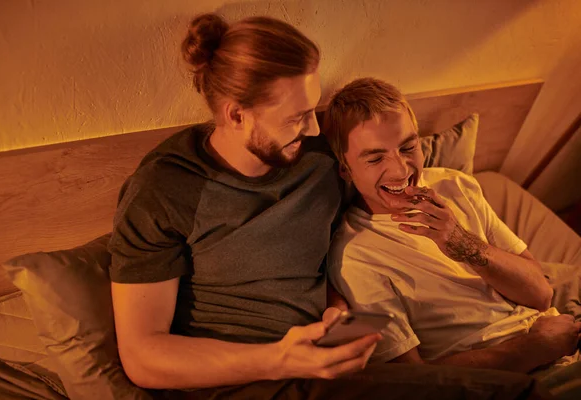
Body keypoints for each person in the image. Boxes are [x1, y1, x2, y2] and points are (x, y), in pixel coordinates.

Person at [108, 14, 553, 399]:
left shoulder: (319, 159)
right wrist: (279, 360)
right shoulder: (163, 190)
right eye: (297, 117)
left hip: (323, 362)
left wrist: (337, 309)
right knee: (511, 394)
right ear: (236, 114)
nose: (314, 126)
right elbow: (144, 356)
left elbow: (361, 207)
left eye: (313, 109)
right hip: (234, 383)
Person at [324, 77, 581, 396]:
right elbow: (412, 380)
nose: (400, 170)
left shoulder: (455, 185)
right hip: (512, 381)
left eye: (408, 147)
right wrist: (533, 347)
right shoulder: (355, 256)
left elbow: (541, 293)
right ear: (346, 170)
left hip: (564, 343)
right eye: (375, 158)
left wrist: (463, 244)